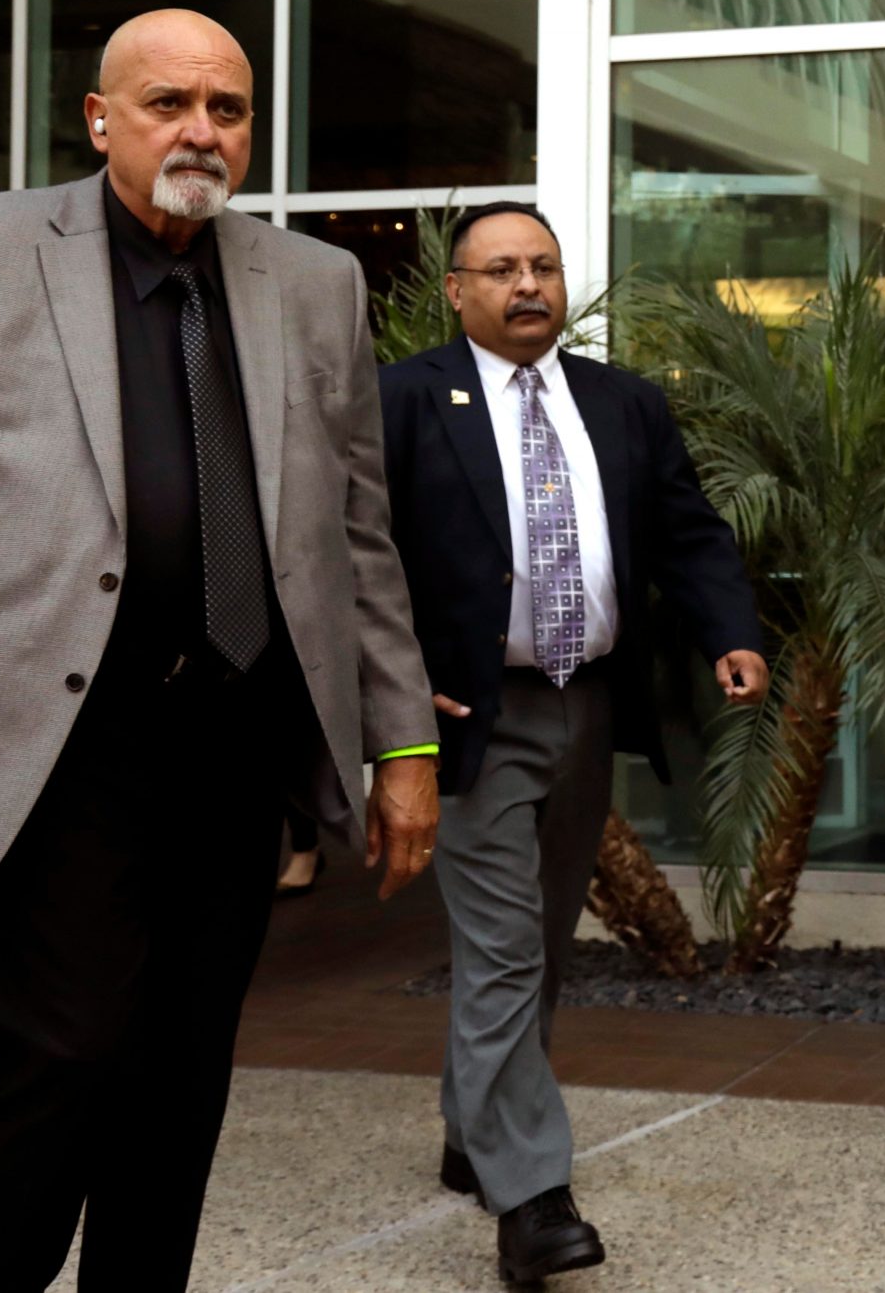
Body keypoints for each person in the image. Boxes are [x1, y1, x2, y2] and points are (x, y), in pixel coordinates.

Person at [0, 7, 441, 1289]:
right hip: (41, 744)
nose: (202, 131)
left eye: (229, 108)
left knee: (182, 1072)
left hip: (230, 747)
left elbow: (358, 538)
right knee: (73, 1053)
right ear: (99, 119)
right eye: (169, 104)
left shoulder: (316, 284)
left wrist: (406, 745)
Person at [378, 201, 767, 1284]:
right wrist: (394, 694)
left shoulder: (622, 401)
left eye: (541, 265)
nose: (526, 285)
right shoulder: (404, 399)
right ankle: (534, 1198)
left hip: (587, 702)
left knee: (540, 943)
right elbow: (354, 557)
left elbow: (689, 532)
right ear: (457, 291)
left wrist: (730, 634)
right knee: (503, 947)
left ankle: (475, 1128)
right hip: (470, 715)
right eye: (499, 269)